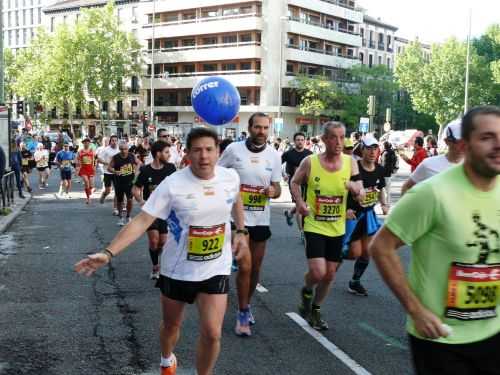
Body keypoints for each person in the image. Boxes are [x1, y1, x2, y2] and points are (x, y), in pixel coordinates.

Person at [75, 127, 250, 375]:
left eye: (209, 150)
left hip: (215, 268)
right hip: (178, 270)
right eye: (197, 150)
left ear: (218, 152)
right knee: (171, 326)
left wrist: (241, 230)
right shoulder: (173, 185)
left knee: (212, 333)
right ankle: (167, 359)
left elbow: (236, 201)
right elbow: (142, 221)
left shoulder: (229, 177)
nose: (204, 156)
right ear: (186, 154)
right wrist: (108, 252)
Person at [370, 106, 500, 375]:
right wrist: (415, 309)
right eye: (487, 137)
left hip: (493, 333)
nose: (498, 145)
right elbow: (381, 248)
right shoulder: (432, 193)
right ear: (465, 145)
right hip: (440, 339)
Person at [291, 122, 364, 330]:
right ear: (324, 140)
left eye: (342, 137)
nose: (339, 142)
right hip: (314, 224)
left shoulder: (350, 163)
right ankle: (307, 289)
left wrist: (354, 188)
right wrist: (300, 202)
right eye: (334, 137)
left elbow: (361, 188)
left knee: (330, 274)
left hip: (337, 227)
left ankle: (315, 308)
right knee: (317, 272)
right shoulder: (310, 162)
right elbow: (295, 182)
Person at [218, 112, 282, 337]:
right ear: (250, 127)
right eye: (258, 127)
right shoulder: (233, 150)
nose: (261, 132)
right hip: (238, 219)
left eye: (265, 128)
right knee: (244, 266)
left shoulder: (274, 155)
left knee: (255, 268)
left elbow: (278, 187)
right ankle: (243, 312)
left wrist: (273, 191)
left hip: (261, 219)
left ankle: (247, 303)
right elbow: (216, 174)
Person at [342, 136, 389, 296]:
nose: (372, 152)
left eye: (375, 148)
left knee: (367, 252)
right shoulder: (354, 169)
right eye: (369, 148)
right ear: (362, 149)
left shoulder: (379, 169)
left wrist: (384, 203)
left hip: (369, 214)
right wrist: (346, 209)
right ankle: (332, 263)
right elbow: (342, 190)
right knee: (353, 252)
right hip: (353, 215)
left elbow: (380, 188)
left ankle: (355, 282)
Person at [133, 140, 176, 279]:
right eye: (167, 152)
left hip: (166, 212)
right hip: (150, 211)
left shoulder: (171, 168)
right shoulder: (145, 170)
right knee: (154, 240)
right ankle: (155, 267)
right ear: (158, 154)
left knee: (162, 242)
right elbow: (135, 189)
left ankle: (156, 255)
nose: (169, 155)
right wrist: (141, 201)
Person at [402, 120, 464, 195]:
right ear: (447, 141)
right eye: (458, 141)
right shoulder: (428, 165)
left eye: (467, 140)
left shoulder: (476, 168)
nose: (463, 145)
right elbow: (406, 187)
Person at [282, 132, 313, 236]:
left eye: (302, 140)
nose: (300, 142)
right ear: (294, 141)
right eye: (298, 140)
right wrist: (284, 175)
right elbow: (278, 164)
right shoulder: (288, 154)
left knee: (305, 203)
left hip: (307, 182)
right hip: (295, 182)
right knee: (300, 205)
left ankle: (290, 213)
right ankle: (302, 232)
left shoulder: (309, 154)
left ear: (304, 141)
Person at [108, 141, 139, 225]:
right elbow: (109, 168)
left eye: (125, 149)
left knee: (130, 199)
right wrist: (115, 171)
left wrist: (136, 170)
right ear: (119, 149)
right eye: (121, 149)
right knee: (120, 200)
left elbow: (139, 163)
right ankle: (121, 218)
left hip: (130, 181)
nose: (123, 151)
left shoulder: (132, 156)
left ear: (128, 149)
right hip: (119, 181)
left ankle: (128, 216)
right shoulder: (116, 157)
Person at [98, 135, 120, 215]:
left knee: (117, 191)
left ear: (117, 141)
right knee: (108, 190)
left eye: (115, 140)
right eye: (112, 140)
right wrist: (106, 163)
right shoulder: (105, 150)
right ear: (110, 141)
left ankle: (115, 209)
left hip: (116, 172)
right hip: (107, 172)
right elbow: (99, 159)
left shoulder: (119, 150)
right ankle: (104, 195)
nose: (114, 142)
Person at [76, 138, 96, 205]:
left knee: (91, 185)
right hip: (83, 169)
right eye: (85, 142)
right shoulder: (80, 151)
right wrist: (77, 168)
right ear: (83, 143)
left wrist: (94, 167)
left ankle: (89, 191)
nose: (86, 143)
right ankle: (88, 198)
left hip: (90, 169)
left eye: (88, 142)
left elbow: (94, 160)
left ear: (89, 143)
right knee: (86, 182)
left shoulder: (92, 150)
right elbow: (77, 160)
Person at [379, 141, 399, 205]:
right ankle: (388, 203)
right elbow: (397, 162)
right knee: (388, 190)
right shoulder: (393, 153)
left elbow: (380, 163)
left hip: (383, 173)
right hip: (389, 173)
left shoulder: (384, 153)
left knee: (383, 190)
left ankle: (385, 204)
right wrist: (394, 170)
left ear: (384, 146)